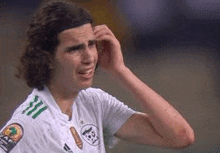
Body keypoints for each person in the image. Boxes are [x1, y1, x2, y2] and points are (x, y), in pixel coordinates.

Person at [0, 1, 195, 152]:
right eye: (75, 49)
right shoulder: (32, 124)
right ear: (48, 57)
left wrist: (121, 71)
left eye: (91, 44)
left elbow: (180, 137)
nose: (89, 58)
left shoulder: (93, 101)